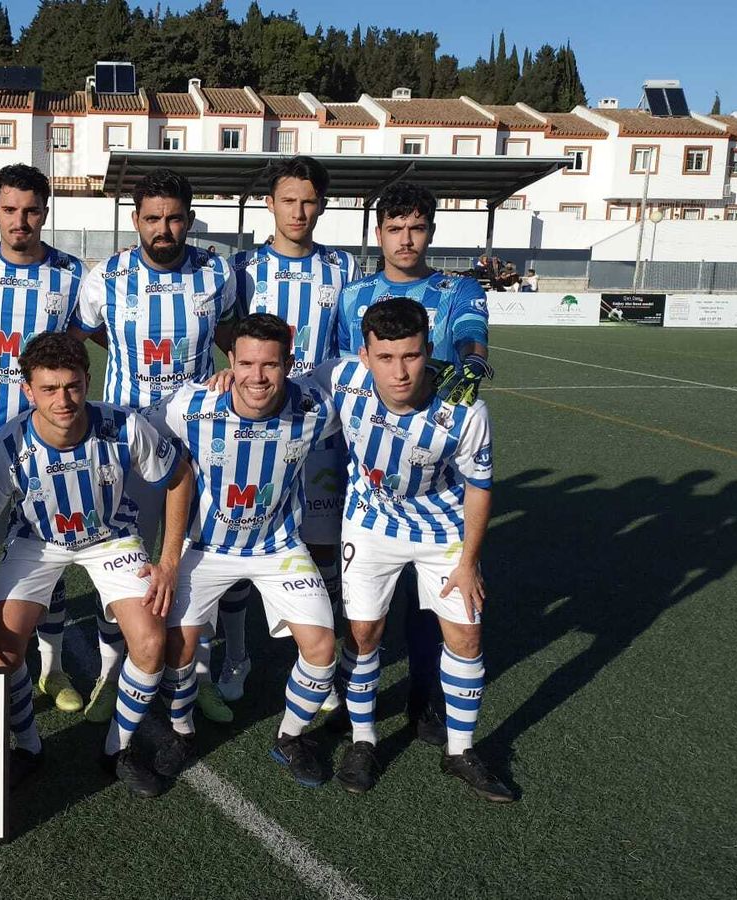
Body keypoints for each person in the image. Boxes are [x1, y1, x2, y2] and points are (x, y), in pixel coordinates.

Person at [0, 332, 186, 797]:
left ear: (87, 380)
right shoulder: (8, 445)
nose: (63, 400)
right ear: (28, 391)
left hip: (110, 539)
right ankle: (28, 748)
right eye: (49, 389)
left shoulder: (124, 425)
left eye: (72, 386)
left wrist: (169, 560)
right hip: (38, 542)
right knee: (2, 652)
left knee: (150, 641)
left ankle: (117, 749)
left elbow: (179, 476)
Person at [152, 313, 350, 786]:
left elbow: (371, 386)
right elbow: (135, 433)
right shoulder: (191, 406)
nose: (257, 376)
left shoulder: (316, 408)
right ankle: (181, 733)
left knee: (322, 648)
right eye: (246, 363)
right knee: (176, 649)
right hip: (205, 547)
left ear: (289, 364)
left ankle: (290, 736)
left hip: (278, 547)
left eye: (270, 364)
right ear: (230, 361)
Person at [69, 167, 236, 724]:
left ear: (190, 219)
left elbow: (232, 336)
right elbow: (82, 336)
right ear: (136, 220)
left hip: (200, 441)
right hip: (125, 443)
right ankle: (111, 670)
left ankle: (197, 673)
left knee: (198, 560)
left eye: (174, 218)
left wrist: (231, 369)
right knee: (123, 558)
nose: (163, 228)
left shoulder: (217, 272)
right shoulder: (106, 276)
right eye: (152, 218)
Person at [330, 297, 514, 803]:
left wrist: (469, 562)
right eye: (385, 358)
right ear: (364, 356)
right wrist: (225, 379)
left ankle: (460, 750)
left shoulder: (465, 408)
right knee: (363, 633)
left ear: (429, 351)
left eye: (410, 356)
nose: (399, 372)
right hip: (370, 525)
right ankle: (363, 740)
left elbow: (479, 488)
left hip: (443, 532)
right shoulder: (342, 379)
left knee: (467, 637)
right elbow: (278, 389)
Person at [336, 181, 493, 746]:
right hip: (372, 456)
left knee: (433, 606)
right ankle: (353, 704)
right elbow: (344, 365)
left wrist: (473, 362)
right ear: (379, 233)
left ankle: (424, 698)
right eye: (396, 229)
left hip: (436, 453)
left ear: (430, 231)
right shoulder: (354, 295)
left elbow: (472, 335)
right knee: (363, 608)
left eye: (417, 228)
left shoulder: (457, 289)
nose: (406, 240)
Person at [218, 155, 356, 708]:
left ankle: (319, 665)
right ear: (269, 204)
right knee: (236, 540)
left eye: (309, 201)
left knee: (322, 548)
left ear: (321, 205)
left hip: (320, 431)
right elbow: (226, 335)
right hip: (252, 428)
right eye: (288, 200)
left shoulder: (343, 267)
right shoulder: (243, 268)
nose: (298, 211)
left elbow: (349, 343)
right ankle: (236, 655)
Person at [0, 164, 87, 713]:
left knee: (48, 554)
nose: (20, 221)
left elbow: (79, 343)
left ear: (45, 213)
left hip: (51, 439)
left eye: (31, 210)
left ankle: (52, 668)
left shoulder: (71, 274)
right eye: (9, 209)